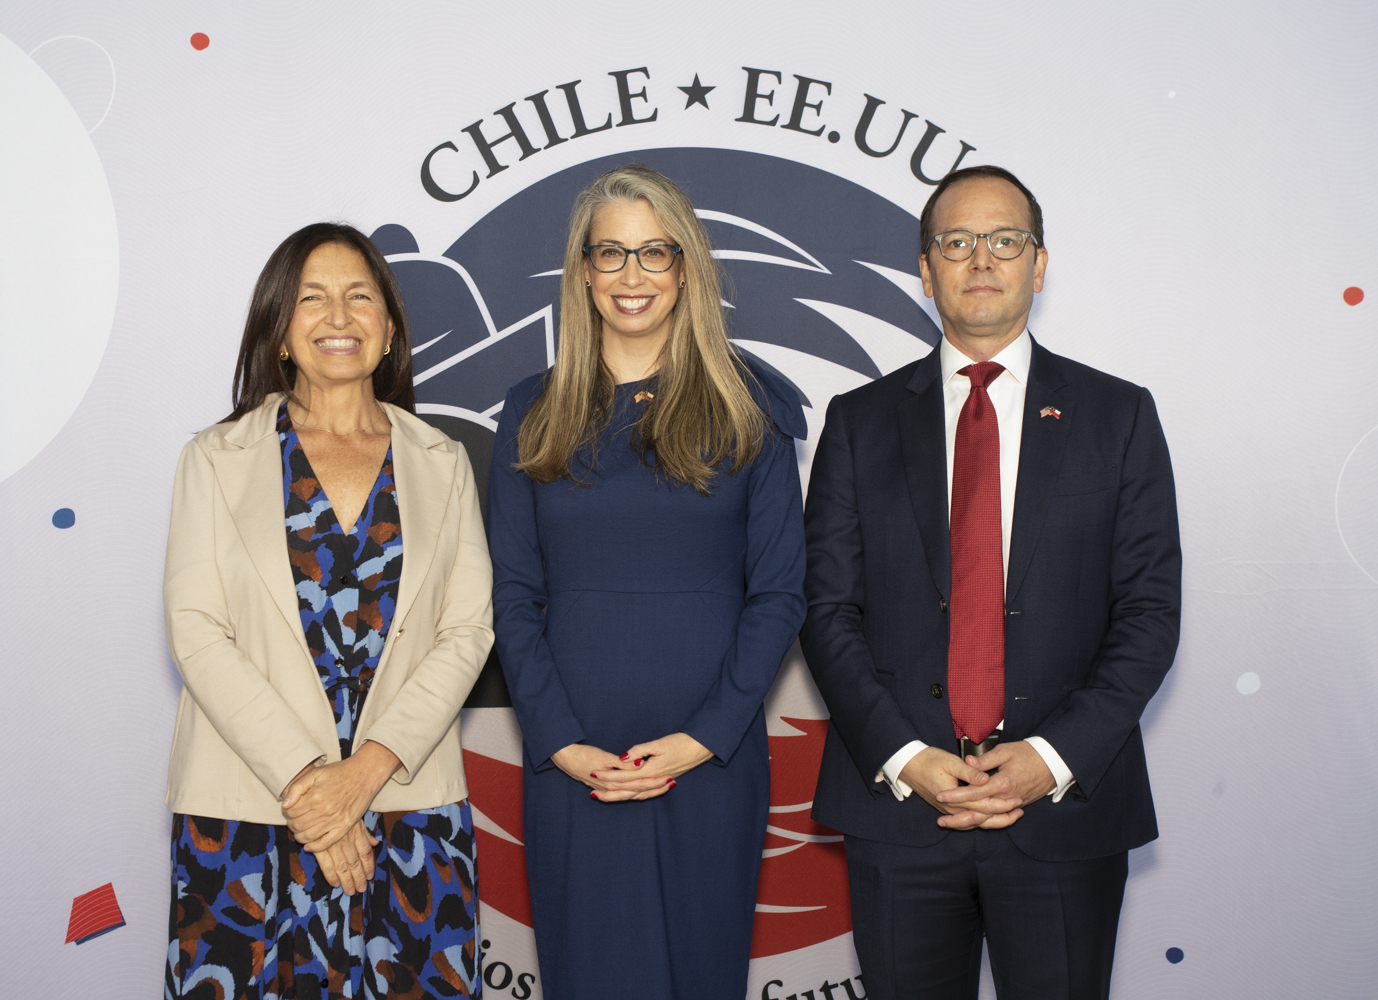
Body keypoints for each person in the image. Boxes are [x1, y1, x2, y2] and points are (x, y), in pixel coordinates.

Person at [802, 166, 1181, 1000]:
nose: (982, 260)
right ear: (925, 270)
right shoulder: (859, 422)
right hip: (902, 809)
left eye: (1005, 241)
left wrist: (1051, 758)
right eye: (956, 242)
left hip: (1065, 811)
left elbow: (1150, 614)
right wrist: (909, 756)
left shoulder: (1118, 416)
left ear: (1038, 265)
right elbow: (827, 610)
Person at [487, 164, 807, 1000]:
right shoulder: (529, 410)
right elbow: (512, 596)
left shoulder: (751, 409)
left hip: (710, 758)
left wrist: (704, 737)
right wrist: (559, 742)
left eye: (654, 253)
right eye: (612, 254)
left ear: (685, 267)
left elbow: (779, 595)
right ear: (583, 271)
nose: (632, 276)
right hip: (571, 756)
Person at [162, 223, 492, 1000]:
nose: (337, 316)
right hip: (250, 812)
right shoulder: (214, 459)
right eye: (312, 298)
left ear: (389, 330)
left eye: (359, 297)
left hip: (408, 814)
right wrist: (315, 787)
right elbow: (197, 630)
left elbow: (467, 628)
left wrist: (365, 775)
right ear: (279, 330)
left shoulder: (444, 463)